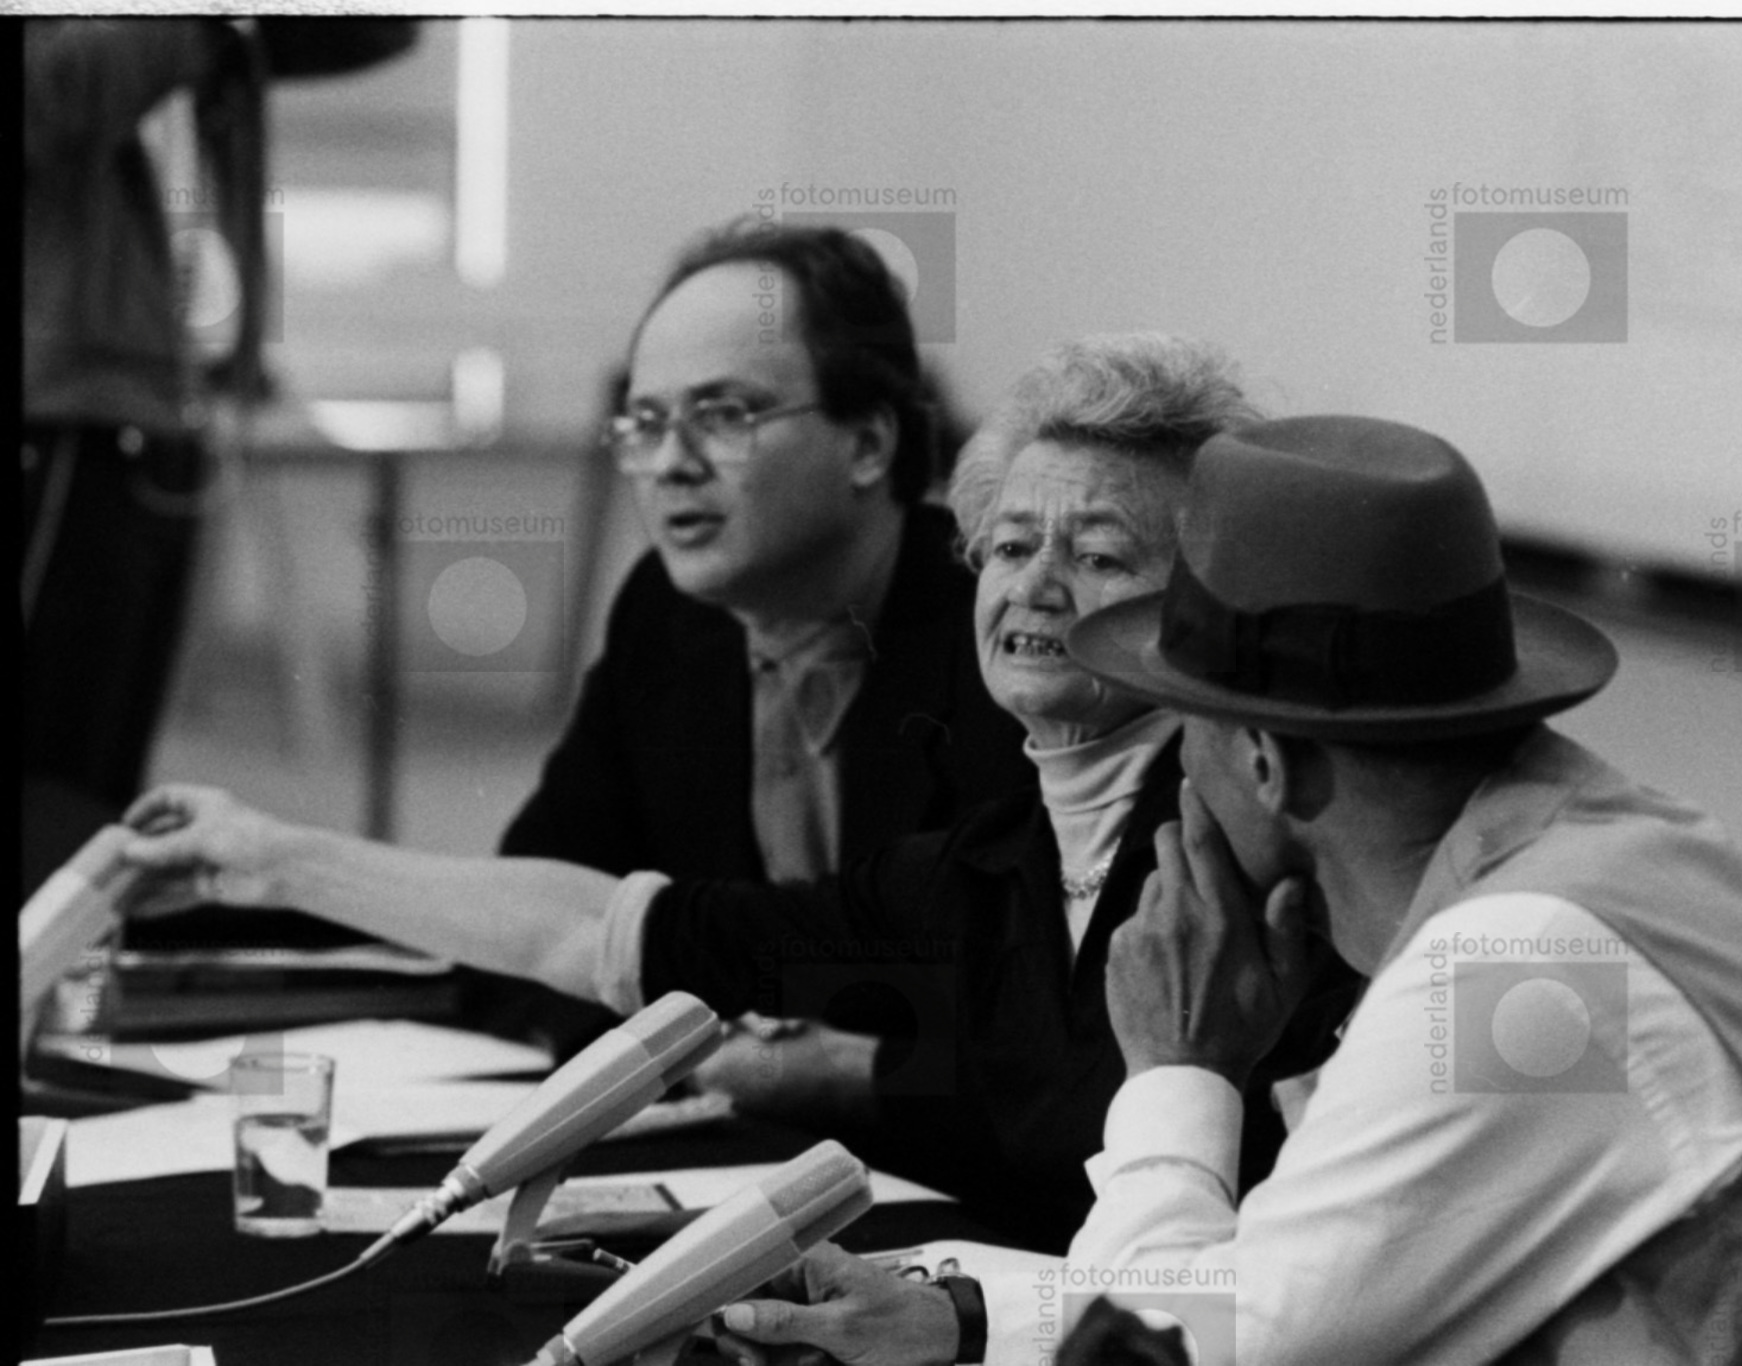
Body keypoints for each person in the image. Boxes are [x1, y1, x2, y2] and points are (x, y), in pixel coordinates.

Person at [122, 334, 1359, 1256]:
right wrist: (269, 858)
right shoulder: (984, 866)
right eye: (1010, 545)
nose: (1034, 583)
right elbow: (605, 930)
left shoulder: (1263, 852)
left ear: (1203, 607)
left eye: (1095, 555)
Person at [1037, 415, 1742, 1362]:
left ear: (1262, 760)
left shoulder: (1519, 971)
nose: (1180, 769)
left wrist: (1177, 1071)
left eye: (1187, 725)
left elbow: (1153, 1353)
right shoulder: (1601, 852)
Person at [118, 218, 1037, 1102]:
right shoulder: (669, 621)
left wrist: (844, 1075)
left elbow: (1026, 1038)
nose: (669, 464)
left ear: (869, 442)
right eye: (643, 423)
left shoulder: (1005, 638)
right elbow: (531, 928)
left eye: (723, 415)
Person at [21, 18, 417, 868]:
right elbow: (51, 102)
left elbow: (375, 32)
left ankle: (80, 943)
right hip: (63, 411)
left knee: (102, 773)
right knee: (50, 765)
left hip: (161, 401)